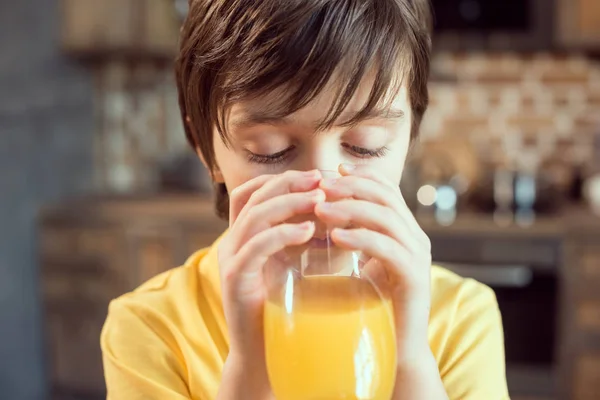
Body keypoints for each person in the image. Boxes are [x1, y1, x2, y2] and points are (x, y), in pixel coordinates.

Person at [101, 0, 509, 399]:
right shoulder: (150, 328)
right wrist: (250, 368)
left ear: (409, 139)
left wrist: (409, 361)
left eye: (365, 147)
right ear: (206, 150)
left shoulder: (460, 317)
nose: (320, 198)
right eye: (270, 150)